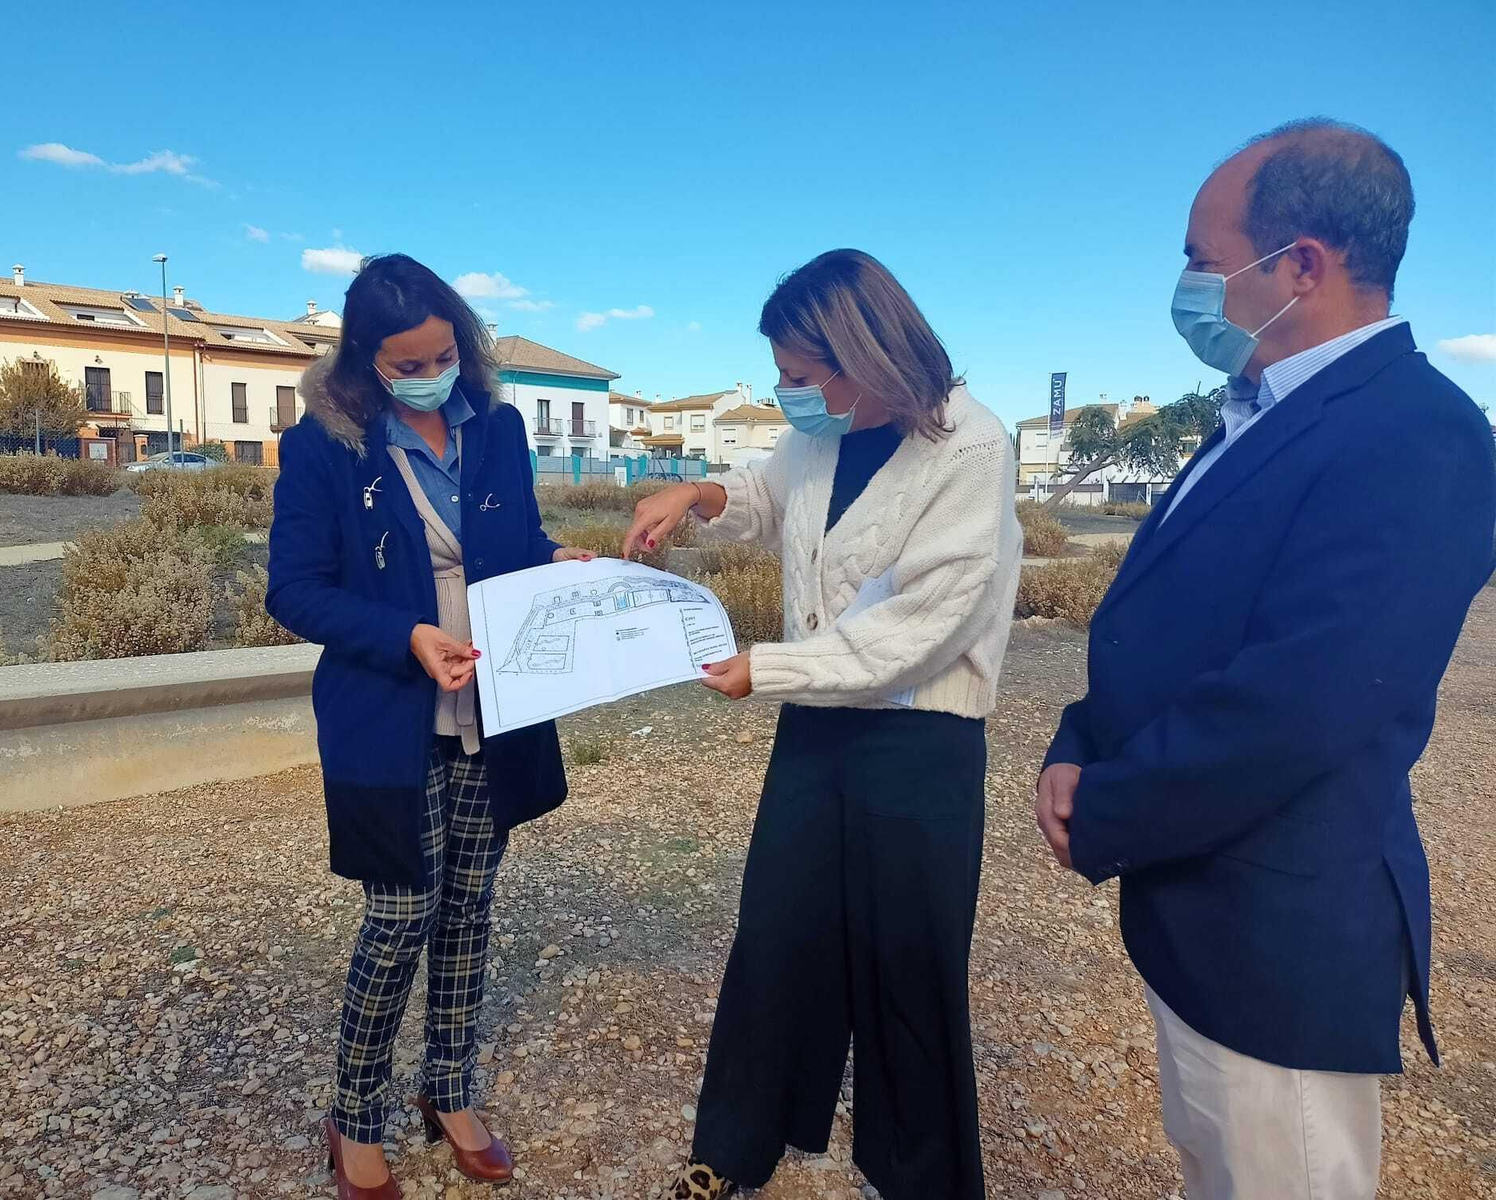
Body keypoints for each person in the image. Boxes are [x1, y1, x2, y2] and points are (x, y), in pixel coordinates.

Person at [1036, 119, 1496, 1200]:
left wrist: (1104, 807)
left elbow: (1303, 703)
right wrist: (1076, 740)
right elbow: (1164, 620)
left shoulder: (1415, 433)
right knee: (1214, 1163)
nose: (1187, 285)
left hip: (1276, 940)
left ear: (1302, 266)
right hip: (1200, 907)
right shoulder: (1259, 409)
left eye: (1202, 258)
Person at [624, 249, 1023, 1200]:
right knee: (777, 932)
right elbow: (771, 499)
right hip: (818, 723)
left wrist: (768, 668)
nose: (787, 395)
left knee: (910, 962)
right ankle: (734, 1148)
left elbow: (924, 628)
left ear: (868, 358)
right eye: (781, 375)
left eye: (801, 377)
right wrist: (698, 495)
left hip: (920, 739)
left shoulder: (972, 447)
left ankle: (921, 1174)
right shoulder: (822, 436)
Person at [267, 254, 594, 1198]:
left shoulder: (495, 425)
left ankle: (447, 1090)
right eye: (407, 364)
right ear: (364, 359)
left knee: (468, 909)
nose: (430, 375)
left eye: (444, 355)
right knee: (400, 913)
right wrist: (405, 635)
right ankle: (354, 1114)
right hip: (388, 714)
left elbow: (515, 541)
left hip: (494, 704)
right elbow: (294, 590)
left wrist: (554, 561)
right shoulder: (323, 445)